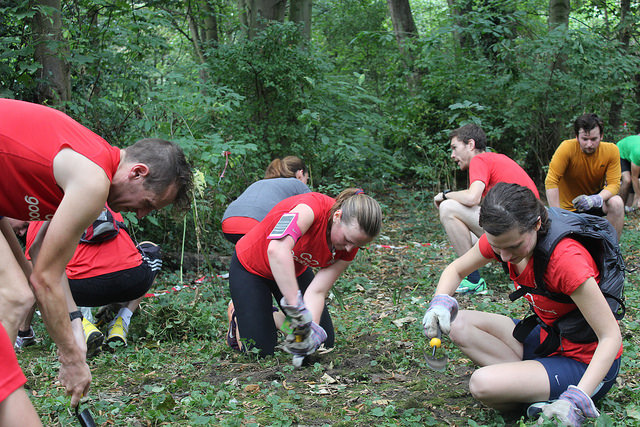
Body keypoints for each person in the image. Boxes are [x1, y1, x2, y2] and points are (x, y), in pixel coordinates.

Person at [0, 98, 192, 412]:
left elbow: (40, 255)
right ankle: (5, 400)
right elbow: (45, 280)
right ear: (138, 173)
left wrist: (75, 324)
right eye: (148, 204)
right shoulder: (92, 182)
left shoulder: (90, 165)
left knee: (20, 289)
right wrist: (72, 361)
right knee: (15, 297)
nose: (141, 216)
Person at [422, 183, 622, 426]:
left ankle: (553, 396)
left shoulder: (566, 261)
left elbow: (610, 336)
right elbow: (456, 269)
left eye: (514, 247)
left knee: (482, 384)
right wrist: (440, 302)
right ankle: (531, 386)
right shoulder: (504, 236)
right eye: (497, 247)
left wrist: (577, 398)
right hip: (549, 339)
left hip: (584, 363)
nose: (504, 256)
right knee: (456, 322)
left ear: (537, 224)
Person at [229, 188, 382, 357]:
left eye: (357, 245)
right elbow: (277, 249)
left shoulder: (350, 245)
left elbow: (318, 291)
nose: (349, 248)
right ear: (337, 217)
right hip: (251, 267)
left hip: (292, 271)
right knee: (259, 352)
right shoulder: (309, 208)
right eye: (347, 240)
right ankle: (238, 312)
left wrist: (307, 335)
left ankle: (272, 315)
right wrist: (297, 308)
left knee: (322, 342)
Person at [16, 205, 162, 356]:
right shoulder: (104, 199)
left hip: (82, 289)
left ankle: (82, 325)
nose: (21, 232)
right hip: (131, 281)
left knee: (46, 273)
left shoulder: (43, 213)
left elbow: (34, 275)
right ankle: (121, 322)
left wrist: (23, 329)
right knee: (150, 248)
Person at [434, 124, 539, 295]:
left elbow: (471, 198)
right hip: (529, 228)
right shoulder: (496, 159)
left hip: (519, 226)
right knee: (466, 235)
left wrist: (445, 195)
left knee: (448, 208)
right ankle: (509, 264)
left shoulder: (479, 160)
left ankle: (472, 280)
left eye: (455, 148)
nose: (453, 155)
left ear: (470, 145)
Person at [545, 113, 624, 240]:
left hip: (594, 201)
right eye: (585, 139)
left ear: (601, 136)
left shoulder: (611, 151)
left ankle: (612, 251)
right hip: (568, 208)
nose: (589, 144)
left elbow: (614, 184)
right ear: (577, 137)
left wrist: (596, 199)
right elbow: (551, 180)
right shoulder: (567, 148)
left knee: (617, 203)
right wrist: (557, 214)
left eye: (594, 139)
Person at [222, 156, 310, 244]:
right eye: (307, 179)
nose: (306, 182)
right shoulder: (297, 183)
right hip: (254, 225)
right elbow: (314, 207)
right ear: (300, 174)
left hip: (228, 224)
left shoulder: (259, 182)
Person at [616, 134, 640, 211]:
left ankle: (630, 209)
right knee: (627, 180)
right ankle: (618, 208)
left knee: (635, 184)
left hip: (632, 152)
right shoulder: (638, 153)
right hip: (621, 152)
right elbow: (634, 177)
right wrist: (638, 196)